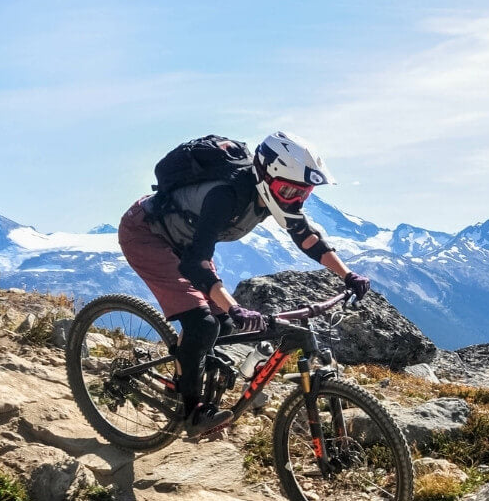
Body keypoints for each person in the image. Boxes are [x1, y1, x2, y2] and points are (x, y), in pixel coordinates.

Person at [117, 131, 370, 436]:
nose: (295, 200)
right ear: (266, 176)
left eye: (303, 194)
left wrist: (348, 275)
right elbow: (195, 263)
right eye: (290, 190)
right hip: (146, 235)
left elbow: (307, 237)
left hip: (185, 240)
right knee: (203, 323)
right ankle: (193, 412)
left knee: (221, 324)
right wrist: (236, 307)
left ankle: (187, 372)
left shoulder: (272, 196)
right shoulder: (226, 195)